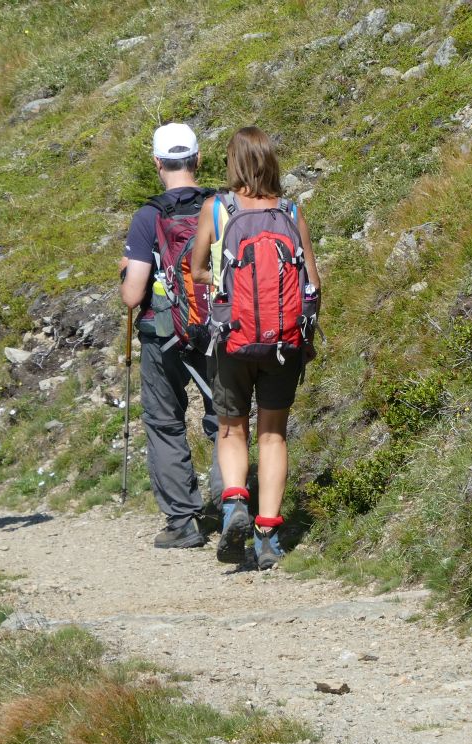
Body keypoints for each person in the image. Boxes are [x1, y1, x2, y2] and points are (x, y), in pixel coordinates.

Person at [192, 126, 321, 569]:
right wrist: (302, 336)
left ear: (234, 162)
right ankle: (268, 535)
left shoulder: (218, 209)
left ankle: (234, 506)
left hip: (232, 340)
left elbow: (196, 269)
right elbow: (312, 284)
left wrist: (225, 281)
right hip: (284, 343)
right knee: (272, 434)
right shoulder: (290, 211)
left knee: (231, 428)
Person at [120, 122, 223, 549]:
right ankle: (231, 502)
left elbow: (132, 295)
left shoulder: (148, 217)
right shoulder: (221, 207)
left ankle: (183, 522)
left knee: (165, 423)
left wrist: (125, 271)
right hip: (219, 328)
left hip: (163, 335)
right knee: (227, 416)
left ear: (157, 163)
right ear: (198, 159)